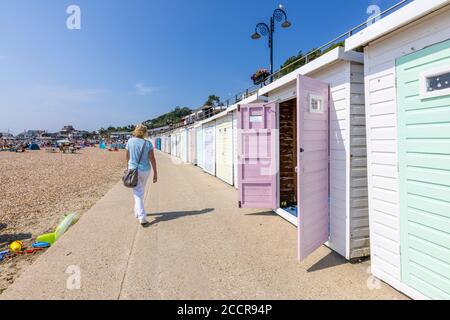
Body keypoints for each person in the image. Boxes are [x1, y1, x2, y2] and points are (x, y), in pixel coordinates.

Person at [126, 124, 158, 225]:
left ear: (136, 131)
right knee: (140, 191)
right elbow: (152, 159)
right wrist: (155, 173)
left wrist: (128, 168)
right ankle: (137, 212)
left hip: (133, 169)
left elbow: (127, 157)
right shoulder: (147, 143)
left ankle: (141, 216)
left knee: (137, 193)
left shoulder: (130, 141)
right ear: (145, 132)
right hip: (145, 170)